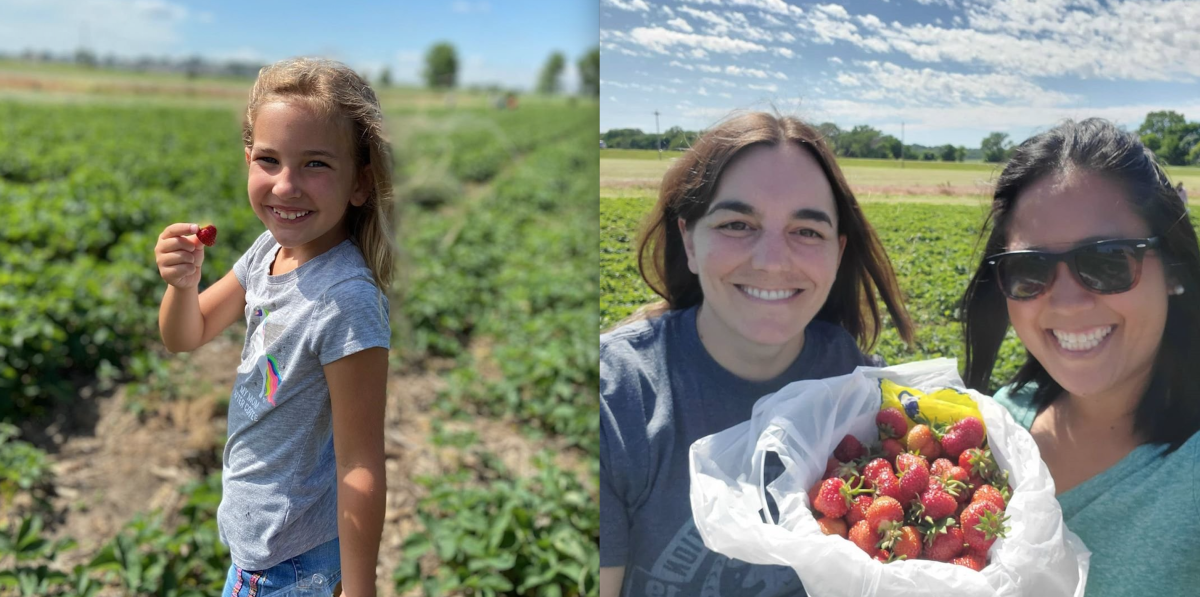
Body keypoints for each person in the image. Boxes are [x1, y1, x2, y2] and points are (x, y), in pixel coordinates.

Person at [600, 112, 915, 597]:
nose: (771, 261)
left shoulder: (861, 392)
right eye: (737, 224)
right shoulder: (617, 403)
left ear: (837, 250)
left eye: (807, 231)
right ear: (689, 239)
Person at [155, 58, 397, 597]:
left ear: (361, 182)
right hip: (263, 545)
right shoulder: (271, 249)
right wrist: (181, 286)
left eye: (314, 164)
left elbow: (361, 463)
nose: (285, 186)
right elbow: (184, 336)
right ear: (248, 160)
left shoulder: (346, 300)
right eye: (269, 160)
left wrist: (360, 591)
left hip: (289, 565)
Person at [960, 118, 1200, 594]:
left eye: (1108, 260)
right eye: (1029, 268)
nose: (1067, 303)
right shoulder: (1000, 423)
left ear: (1173, 271)